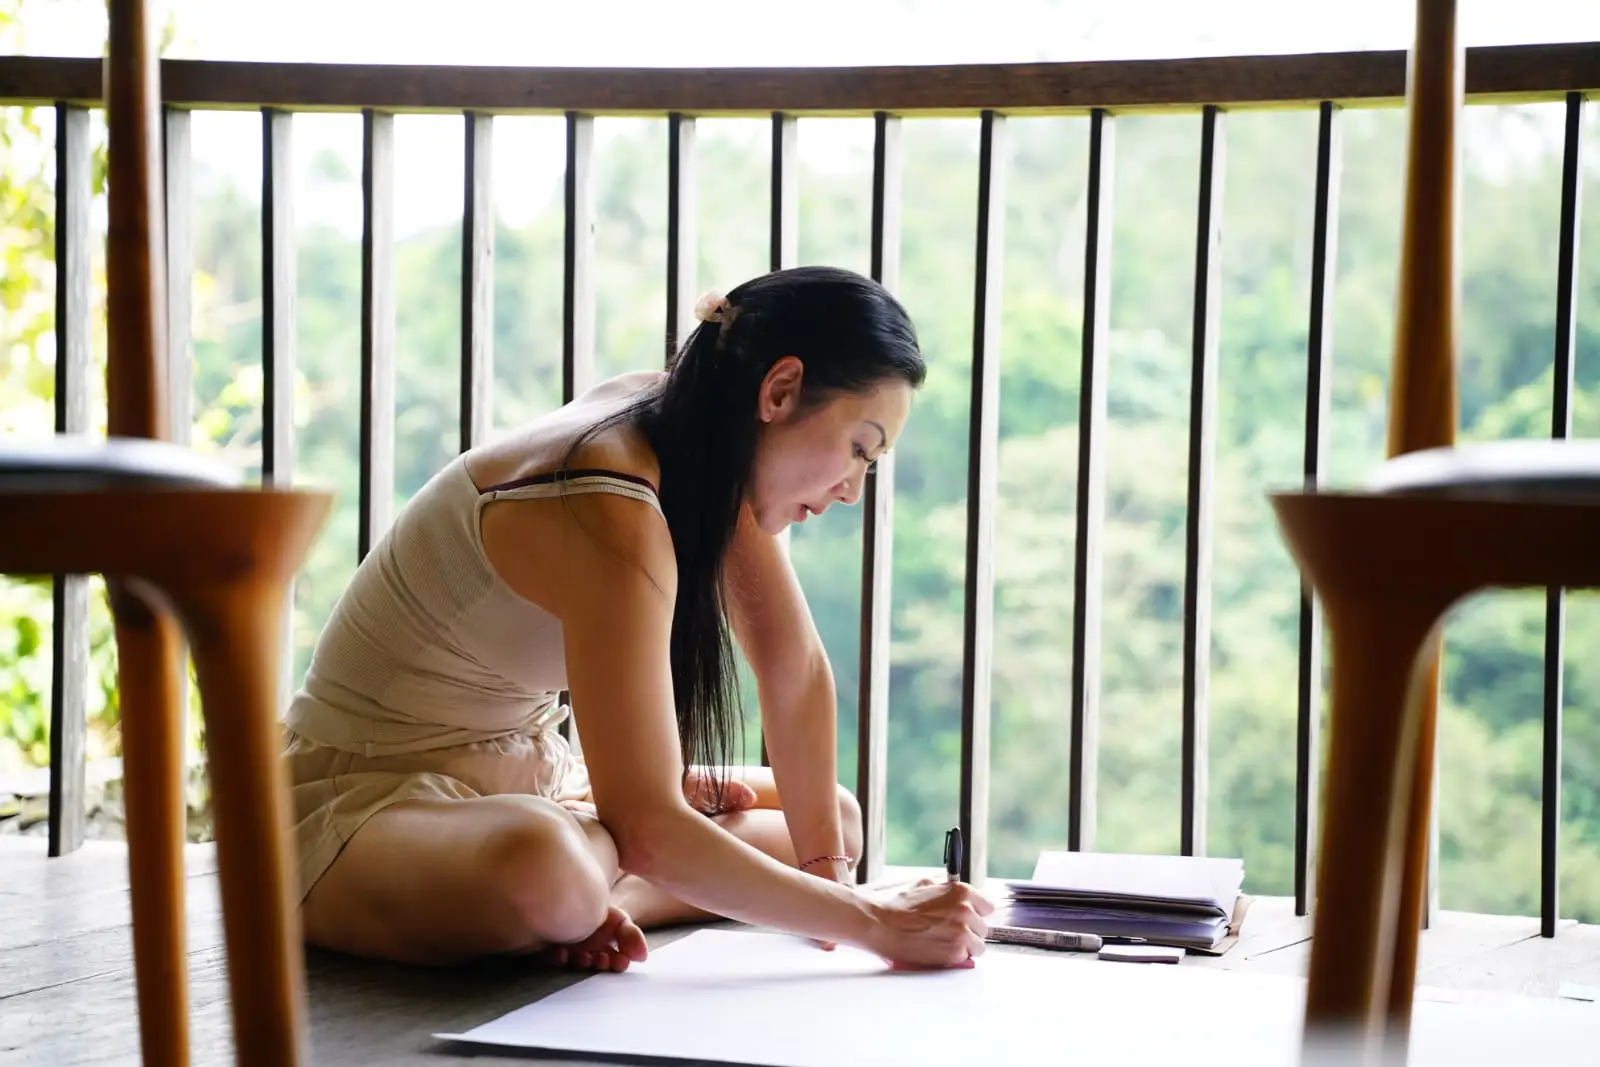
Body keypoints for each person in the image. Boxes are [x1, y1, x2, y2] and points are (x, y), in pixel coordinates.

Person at [280, 264, 992, 974]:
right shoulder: (606, 497)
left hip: (522, 783)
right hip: (359, 803)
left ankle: (597, 887)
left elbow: (793, 667)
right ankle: (590, 888)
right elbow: (650, 825)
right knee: (550, 870)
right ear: (779, 391)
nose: (852, 490)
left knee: (831, 819)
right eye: (859, 449)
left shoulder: (696, 433)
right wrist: (877, 923)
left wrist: (834, 889)